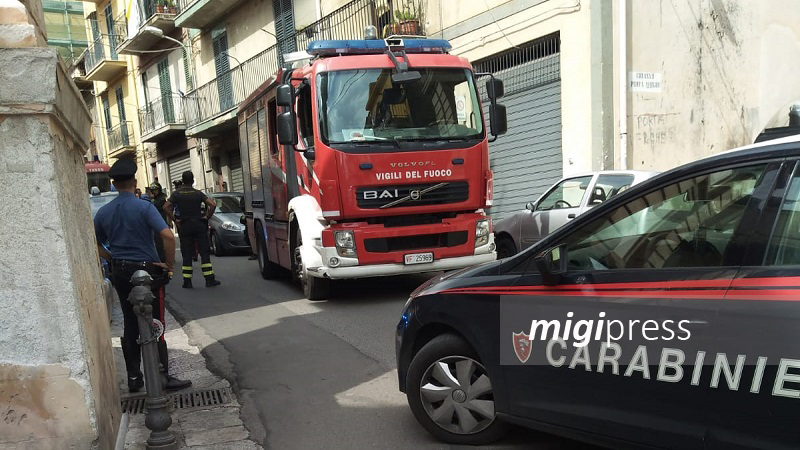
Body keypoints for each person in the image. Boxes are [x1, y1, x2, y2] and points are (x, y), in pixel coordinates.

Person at [93, 158, 191, 393]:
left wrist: (112, 258)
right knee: (155, 321)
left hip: (120, 271)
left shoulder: (104, 212)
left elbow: (95, 243)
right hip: (146, 271)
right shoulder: (144, 207)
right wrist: (168, 265)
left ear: (115, 184)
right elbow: (168, 236)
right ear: (134, 182)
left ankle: (134, 378)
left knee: (130, 322)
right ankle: (162, 376)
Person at [164, 171, 221, 289]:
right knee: (204, 252)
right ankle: (209, 279)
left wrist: (175, 219)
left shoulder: (176, 194)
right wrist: (206, 217)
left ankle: (187, 281)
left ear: (183, 181)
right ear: (193, 180)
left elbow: (165, 207)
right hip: (199, 225)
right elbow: (213, 205)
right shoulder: (198, 193)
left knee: (186, 253)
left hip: (185, 226)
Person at [149, 182, 171, 263]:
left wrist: (169, 221)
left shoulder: (161, 199)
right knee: (158, 243)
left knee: (161, 242)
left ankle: (164, 259)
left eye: (155, 190)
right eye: (152, 190)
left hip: (161, 222)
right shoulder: (154, 199)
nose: (154, 192)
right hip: (155, 223)